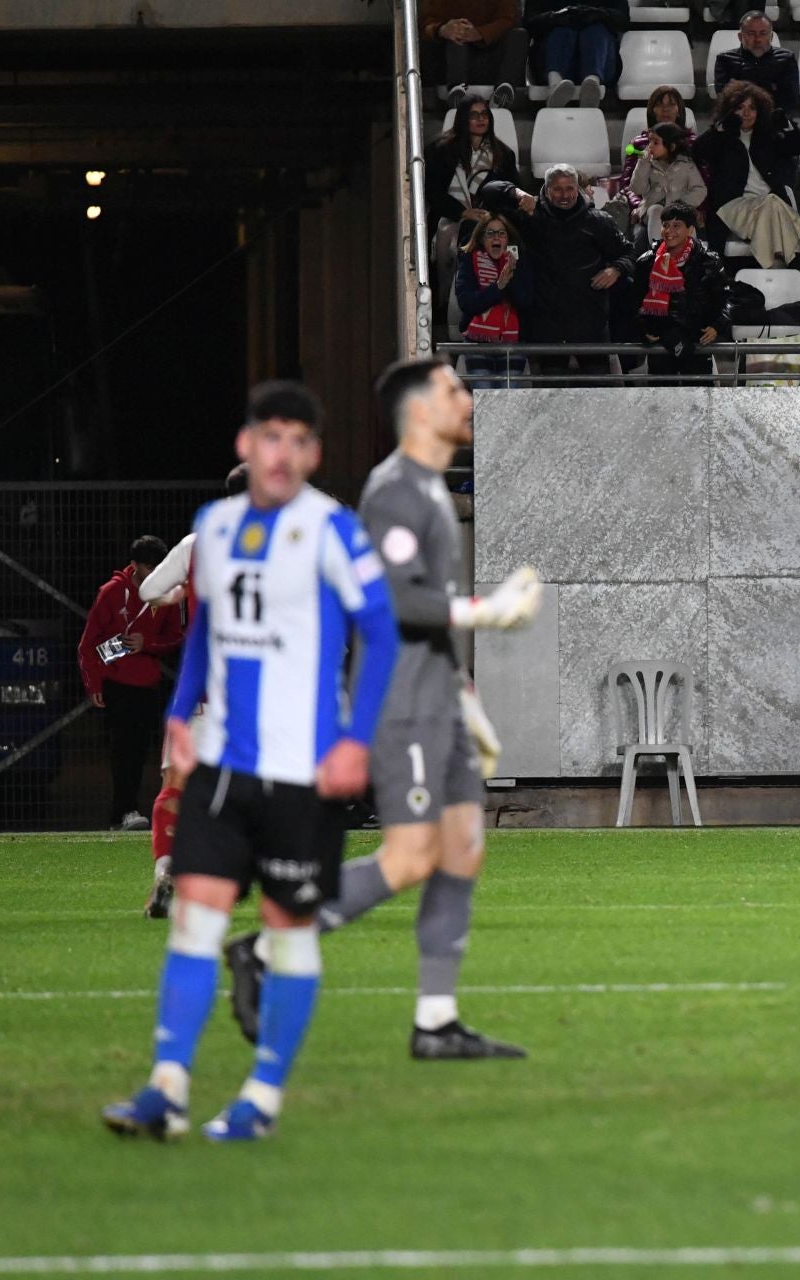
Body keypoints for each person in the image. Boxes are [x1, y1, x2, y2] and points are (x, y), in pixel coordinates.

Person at [101, 381, 400, 1143]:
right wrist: (177, 716)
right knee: (196, 927)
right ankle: (166, 1090)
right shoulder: (217, 530)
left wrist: (357, 740)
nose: (281, 454)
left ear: (312, 455)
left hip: (301, 771)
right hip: (227, 765)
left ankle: (260, 1100)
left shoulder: (336, 532)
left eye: (296, 441)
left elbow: (382, 634)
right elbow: (205, 638)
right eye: (269, 438)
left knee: (290, 934)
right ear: (248, 449)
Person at [224, 360, 542, 1065]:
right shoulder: (394, 491)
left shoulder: (428, 486)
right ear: (419, 410)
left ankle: (436, 1021)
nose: (467, 399)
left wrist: (462, 690)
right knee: (411, 856)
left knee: (462, 849)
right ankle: (266, 950)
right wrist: (481, 613)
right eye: (455, 389)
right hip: (403, 705)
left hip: (437, 698)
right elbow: (392, 599)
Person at [136, 464, 251, 919]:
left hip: (201, 685)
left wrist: (178, 594)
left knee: (174, 786)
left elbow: (147, 589)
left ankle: (166, 870)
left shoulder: (198, 541)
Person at [484, 164, 635, 378]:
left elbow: (629, 254)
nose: (564, 195)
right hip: (548, 326)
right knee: (549, 398)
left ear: (578, 189)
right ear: (546, 190)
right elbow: (489, 190)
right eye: (557, 189)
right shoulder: (530, 218)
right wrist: (517, 193)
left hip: (590, 324)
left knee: (599, 396)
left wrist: (616, 269)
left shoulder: (599, 221)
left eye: (569, 188)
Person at [78, 534, 182, 832]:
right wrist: (94, 685)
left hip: (148, 684)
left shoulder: (168, 594)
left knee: (142, 751)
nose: (155, 573)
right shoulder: (111, 592)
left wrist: (146, 643)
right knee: (122, 749)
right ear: (135, 566)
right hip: (116, 683)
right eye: (150, 568)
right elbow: (88, 644)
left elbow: (176, 636)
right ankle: (125, 811)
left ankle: (128, 811)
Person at [690, 81, 800, 268]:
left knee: (772, 204)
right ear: (730, 111)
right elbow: (697, 151)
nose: (746, 113)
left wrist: (787, 125)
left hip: (766, 203)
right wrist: (721, 128)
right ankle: (794, 270)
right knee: (774, 205)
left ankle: (773, 270)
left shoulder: (767, 136)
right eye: (740, 108)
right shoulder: (723, 138)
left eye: (752, 108)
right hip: (733, 205)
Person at [634, 202, 730, 381]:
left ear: (690, 229)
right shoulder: (646, 262)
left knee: (698, 404)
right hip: (661, 344)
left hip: (697, 343)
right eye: (665, 225)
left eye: (676, 226)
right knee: (661, 404)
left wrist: (717, 326)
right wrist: (643, 329)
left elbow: (725, 298)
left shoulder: (709, 261)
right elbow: (633, 303)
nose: (669, 231)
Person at [425, 94, 522, 249]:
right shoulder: (440, 150)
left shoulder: (504, 154)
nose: (480, 119)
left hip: (490, 222)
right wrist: (463, 212)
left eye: (484, 114)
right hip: (448, 218)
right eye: (474, 115)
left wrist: (490, 217)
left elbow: (511, 194)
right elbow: (432, 191)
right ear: (463, 119)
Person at [453, 214, 532, 388]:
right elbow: (467, 303)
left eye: (501, 233)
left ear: (508, 239)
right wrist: (498, 286)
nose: (496, 238)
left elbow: (526, 302)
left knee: (509, 396)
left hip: (513, 340)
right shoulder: (469, 261)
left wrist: (511, 275)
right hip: (477, 341)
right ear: (481, 238)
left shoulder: (520, 262)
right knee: (485, 394)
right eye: (490, 233)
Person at [611, 87, 695, 227]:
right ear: (652, 111)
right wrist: (639, 206)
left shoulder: (693, 144)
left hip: (685, 209)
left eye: (671, 104)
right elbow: (628, 185)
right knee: (640, 236)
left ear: (679, 110)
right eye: (659, 105)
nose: (665, 109)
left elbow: (703, 181)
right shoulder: (639, 144)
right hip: (648, 209)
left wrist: (697, 208)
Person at [420, 0, 530, 106]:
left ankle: (504, 92)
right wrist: (442, 30)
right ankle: (456, 93)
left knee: (519, 35)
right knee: (457, 36)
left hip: (492, 58)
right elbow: (423, 24)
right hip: (452, 58)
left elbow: (509, 19)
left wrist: (480, 33)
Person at [524, 0, 627, 108]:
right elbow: (529, 22)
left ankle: (592, 85)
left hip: (602, 64)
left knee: (596, 31)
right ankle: (555, 86)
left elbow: (623, 20)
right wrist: (554, 17)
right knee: (560, 31)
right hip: (550, 58)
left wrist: (600, 14)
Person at [622, 122, 709, 245]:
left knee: (683, 217)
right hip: (652, 212)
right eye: (650, 141)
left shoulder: (686, 165)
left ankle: (688, 253)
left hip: (678, 211)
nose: (650, 146)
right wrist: (643, 164)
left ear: (671, 146)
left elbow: (700, 189)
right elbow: (637, 189)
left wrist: (683, 204)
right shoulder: (647, 163)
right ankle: (657, 249)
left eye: (656, 143)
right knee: (656, 209)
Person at [712, 11, 800, 118]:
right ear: (740, 36)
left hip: (774, 120)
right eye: (751, 33)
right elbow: (726, 99)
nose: (758, 39)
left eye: (763, 33)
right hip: (738, 119)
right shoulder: (725, 60)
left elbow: (791, 99)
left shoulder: (786, 59)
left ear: (771, 37)